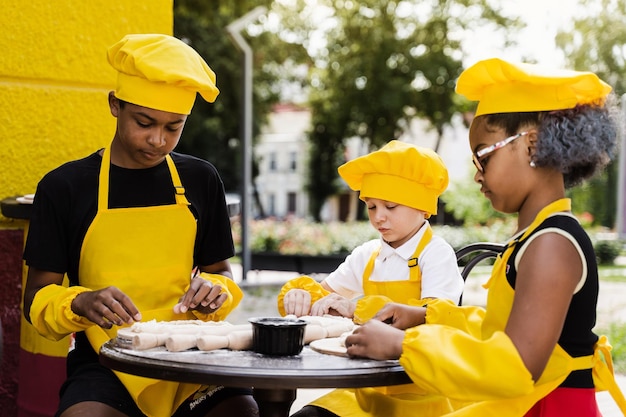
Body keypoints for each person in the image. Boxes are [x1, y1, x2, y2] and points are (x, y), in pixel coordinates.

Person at [344, 57, 626, 416]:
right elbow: (501, 328)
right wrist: (424, 318)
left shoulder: (551, 244)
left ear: (532, 145)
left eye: (483, 157)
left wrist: (405, 346)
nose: (477, 176)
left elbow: (517, 365)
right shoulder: (535, 236)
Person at [22, 34, 259, 417]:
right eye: (144, 122)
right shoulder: (64, 187)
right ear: (115, 105)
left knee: (244, 412)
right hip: (105, 363)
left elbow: (222, 274)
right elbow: (35, 299)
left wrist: (217, 290)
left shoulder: (201, 179)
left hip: (194, 357)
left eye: (174, 127)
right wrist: (81, 300)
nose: (157, 140)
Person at [278, 140, 465, 416]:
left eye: (390, 206)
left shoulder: (436, 254)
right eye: (372, 207)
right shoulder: (367, 255)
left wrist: (358, 308)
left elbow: (435, 317)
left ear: (423, 208)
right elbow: (324, 294)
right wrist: (300, 294)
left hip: (420, 393)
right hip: (364, 390)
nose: (379, 218)